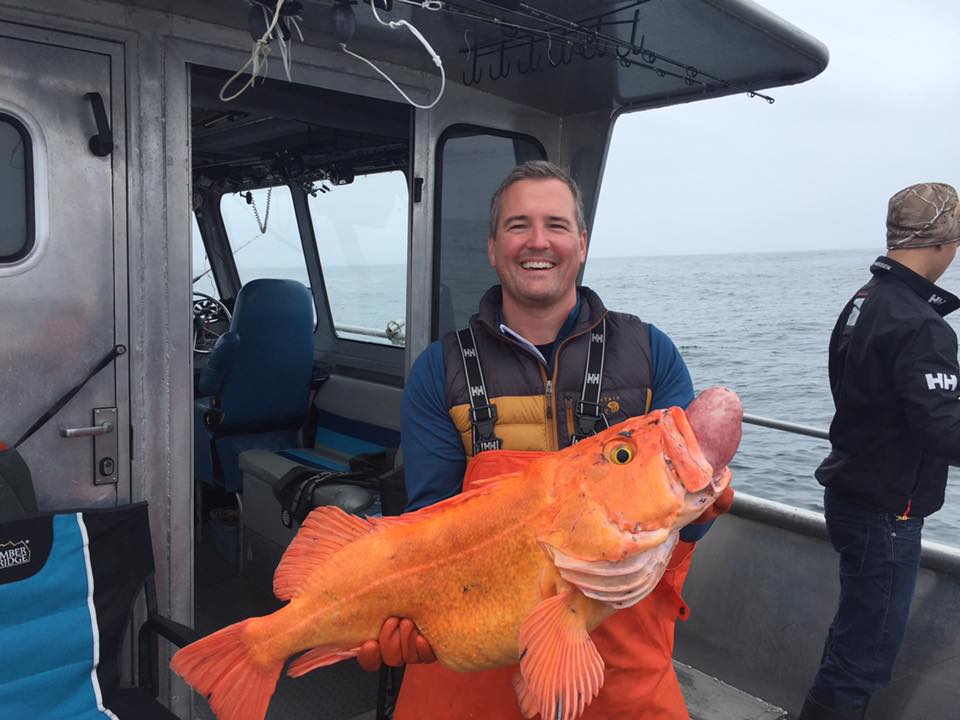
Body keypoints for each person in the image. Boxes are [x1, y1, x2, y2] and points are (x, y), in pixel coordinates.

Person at [358, 160, 730, 719]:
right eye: (518, 225)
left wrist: (707, 499)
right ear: (492, 247)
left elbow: (686, 526)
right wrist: (410, 622)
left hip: (624, 671)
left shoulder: (651, 352)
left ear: (581, 243)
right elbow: (429, 521)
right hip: (473, 668)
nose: (538, 241)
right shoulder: (441, 370)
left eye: (556, 225)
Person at [798, 182, 960, 720]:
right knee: (862, 663)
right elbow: (942, 430)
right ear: (944, 243)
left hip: (851, 495)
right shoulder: (923, 325)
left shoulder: (862, 301)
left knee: (852, 645)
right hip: (886, 515)